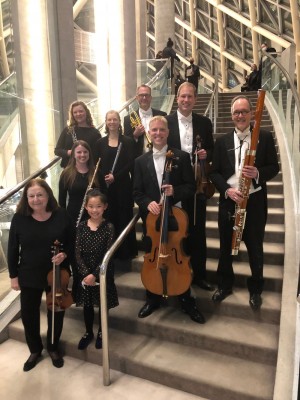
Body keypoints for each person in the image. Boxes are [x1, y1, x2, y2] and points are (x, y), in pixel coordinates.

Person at [133, 115, 205, 324]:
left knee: (179, 256)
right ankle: (152, 297)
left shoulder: (181, 157)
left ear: (168, 132)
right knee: (154, 255)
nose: (157, 134)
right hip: (152, 221)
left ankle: (186, 298)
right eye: (153, 130)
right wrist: (147, 203)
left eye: (161, 130)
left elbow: (191, 187)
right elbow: (136, 192)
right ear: (149, 133)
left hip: (176, 218)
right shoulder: (140, 161)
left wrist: (175, 191)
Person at [209, 95, 279, 309]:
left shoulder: (264, 138)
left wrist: (258, 172)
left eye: (244, 111)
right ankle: (224, 285)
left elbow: (274, 167)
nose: (240, 116)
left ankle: (256, 289)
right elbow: (214, 172)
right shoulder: (221, 141)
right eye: (236, 112)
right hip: (230, 201)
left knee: (255, 247)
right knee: (225, 246)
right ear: (232, 116)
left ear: (251, 114)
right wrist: (227, 190)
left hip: (255, 202)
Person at [7, 178, 75, 371]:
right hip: (28, 273)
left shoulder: (61, 214)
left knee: (57, 311)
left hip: (57, 273)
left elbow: (72, 240)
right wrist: (13, 276)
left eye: (40, 195)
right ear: (26, 198)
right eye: (31, 196)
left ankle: (53, 347)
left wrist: (66, 254)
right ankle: (35, 350)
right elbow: (12, 248)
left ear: (48, 195)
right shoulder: (19, 217)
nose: (36, 199)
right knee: (29, 315)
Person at [166, 82, 215, 291]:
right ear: (177, 98)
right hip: (175, 186)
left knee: (197, 231)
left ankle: (200, 275)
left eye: (190, 97)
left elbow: (212, 150)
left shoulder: (204, 122)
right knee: (175, 232)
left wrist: (206, 155)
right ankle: (177, 273)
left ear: (195, 99)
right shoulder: (166, 122)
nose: (186, 100)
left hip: (197, 186)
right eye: (182, 96)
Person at [75, 189, 118, 350]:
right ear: (86, 207)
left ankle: (101, 331)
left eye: (98, 206)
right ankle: (88, 332)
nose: (95, 210)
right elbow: (77, 253)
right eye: (91, 206)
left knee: (102, 303)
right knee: (87, 305)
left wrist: (95, 274)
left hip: (102, 272)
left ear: (105, 207)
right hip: (84, 273)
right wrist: (86, 274)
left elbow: (108, 254)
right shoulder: (80, 227)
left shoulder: (109, 227)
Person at [96, 110, 137, 260]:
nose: (112, 122)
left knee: (124, 216)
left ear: (119, 122)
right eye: (109, 120)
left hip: (123, 185)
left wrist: (116, 176)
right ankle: (110, 252)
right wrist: (105, 177)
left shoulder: (128, 141)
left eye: (115, 119)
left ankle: (125, 252)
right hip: (106, 187)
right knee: (109, 216)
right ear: (106, 122)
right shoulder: (100, 143)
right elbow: (97, 165)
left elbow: (132, 163)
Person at [58, 140, 100, 225]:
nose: (82, 155)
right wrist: (63, 218)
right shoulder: (66, 173)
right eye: (79, 152)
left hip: (94, 214)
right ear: (73, 154)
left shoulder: (96, 172)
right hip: (73, 216)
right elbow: (62, 199)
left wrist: (94, 193)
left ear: (89, 154)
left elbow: (104, 193)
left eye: (85, 152)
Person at [123, 84, 167, 158]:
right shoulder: (128, 119)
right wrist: (135, 135)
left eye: (147, 95)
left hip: (159, 157)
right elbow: (126, 143)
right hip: (138, 160)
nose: (144, 98)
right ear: (137, 98)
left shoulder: (162, 115)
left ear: (150, 98)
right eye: (141, 95)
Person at [55, 100, 101, 168]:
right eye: (75, 112)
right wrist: (70, 152)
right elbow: (57, 150)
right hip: (69, 170)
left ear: (86, 112)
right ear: (72, 115)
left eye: (81, 111)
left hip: (87, 171)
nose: (78, 114)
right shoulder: (68, 130)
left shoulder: (95, 133)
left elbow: (97, 155)